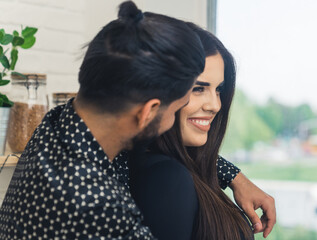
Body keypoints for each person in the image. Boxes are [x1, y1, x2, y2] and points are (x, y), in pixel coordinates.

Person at [0, 1, 275, 239]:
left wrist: (232, 175)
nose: (214, 106)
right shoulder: (102, 210)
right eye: (185, 98)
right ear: (147, 113)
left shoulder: (56, 126)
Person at [129, 23, 275, 240]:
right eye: (198, 89)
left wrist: (233, 176)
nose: (215, 105)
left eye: (218, 90)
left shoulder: (172, 168)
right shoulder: (168, 178)